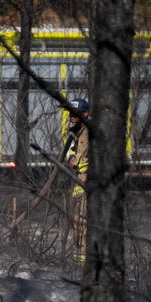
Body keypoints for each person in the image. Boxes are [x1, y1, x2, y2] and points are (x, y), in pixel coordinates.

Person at [67, 98, 89, 263]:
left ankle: (83, 258)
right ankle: (79, 256)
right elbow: (72, 152)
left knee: (82, 218)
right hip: (79, 180)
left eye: (75, 114)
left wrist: (78, 161)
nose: (71, 116)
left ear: (85, 114)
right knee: (77, 218)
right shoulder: (77, 131)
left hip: (87, 181)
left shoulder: (89, 131)